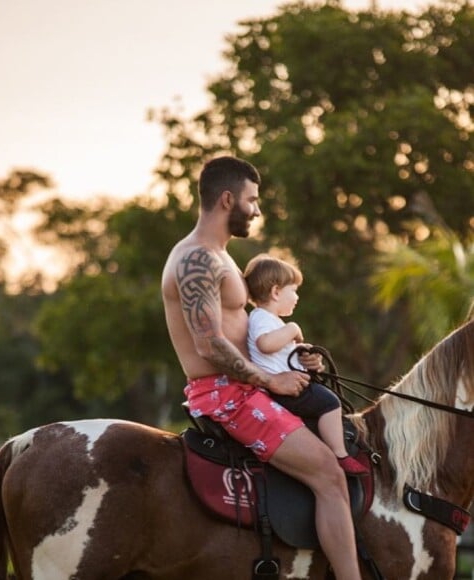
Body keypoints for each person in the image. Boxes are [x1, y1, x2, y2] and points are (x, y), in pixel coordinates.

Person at [161, 155, 362, 580]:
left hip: (243, 385)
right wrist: (270, 379)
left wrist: (289, 360)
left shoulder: (220, 256)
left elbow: (245, 335)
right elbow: (210, 342)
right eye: (252, 200)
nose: (256, 209)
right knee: (330, 474)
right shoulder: (197, 259)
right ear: (228, 199)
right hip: (227, 395)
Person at [244, 253, 368, 476]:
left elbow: (279, 350)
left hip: (288, 386)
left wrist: (302, 352)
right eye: (294, 290)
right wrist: (292, 329)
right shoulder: (261, 318)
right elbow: (265, 344)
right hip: (283, 392)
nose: (297, 296)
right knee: (329, 402)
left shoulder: (270, 320)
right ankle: (340, 454)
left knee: (325, 397)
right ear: (275, 292)